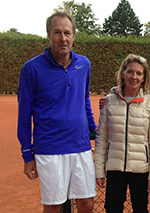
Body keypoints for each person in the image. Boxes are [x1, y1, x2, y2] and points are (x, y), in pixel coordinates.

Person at [17, 11, 97, 213]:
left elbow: (84, 99)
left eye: (67, 33)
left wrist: (92, 130)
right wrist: (27, 155)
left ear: (74, 36)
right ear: (48, 35)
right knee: (54, 207)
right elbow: (24, 115)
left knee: (87, 204)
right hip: (49, 149)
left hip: (80, 146)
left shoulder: (84, 64)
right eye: (57, 33)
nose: (63, 38)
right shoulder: (31, 69)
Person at [94, 54, 150, 212]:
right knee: (112, 208)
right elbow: (102, 138)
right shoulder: (109, 101)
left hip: (140, 169)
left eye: (139, 73)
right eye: (130, 72)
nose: (134, 77)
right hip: (115, 168)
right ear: (123, 74)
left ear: (144, 78)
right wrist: (99, 170)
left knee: (140, 208)